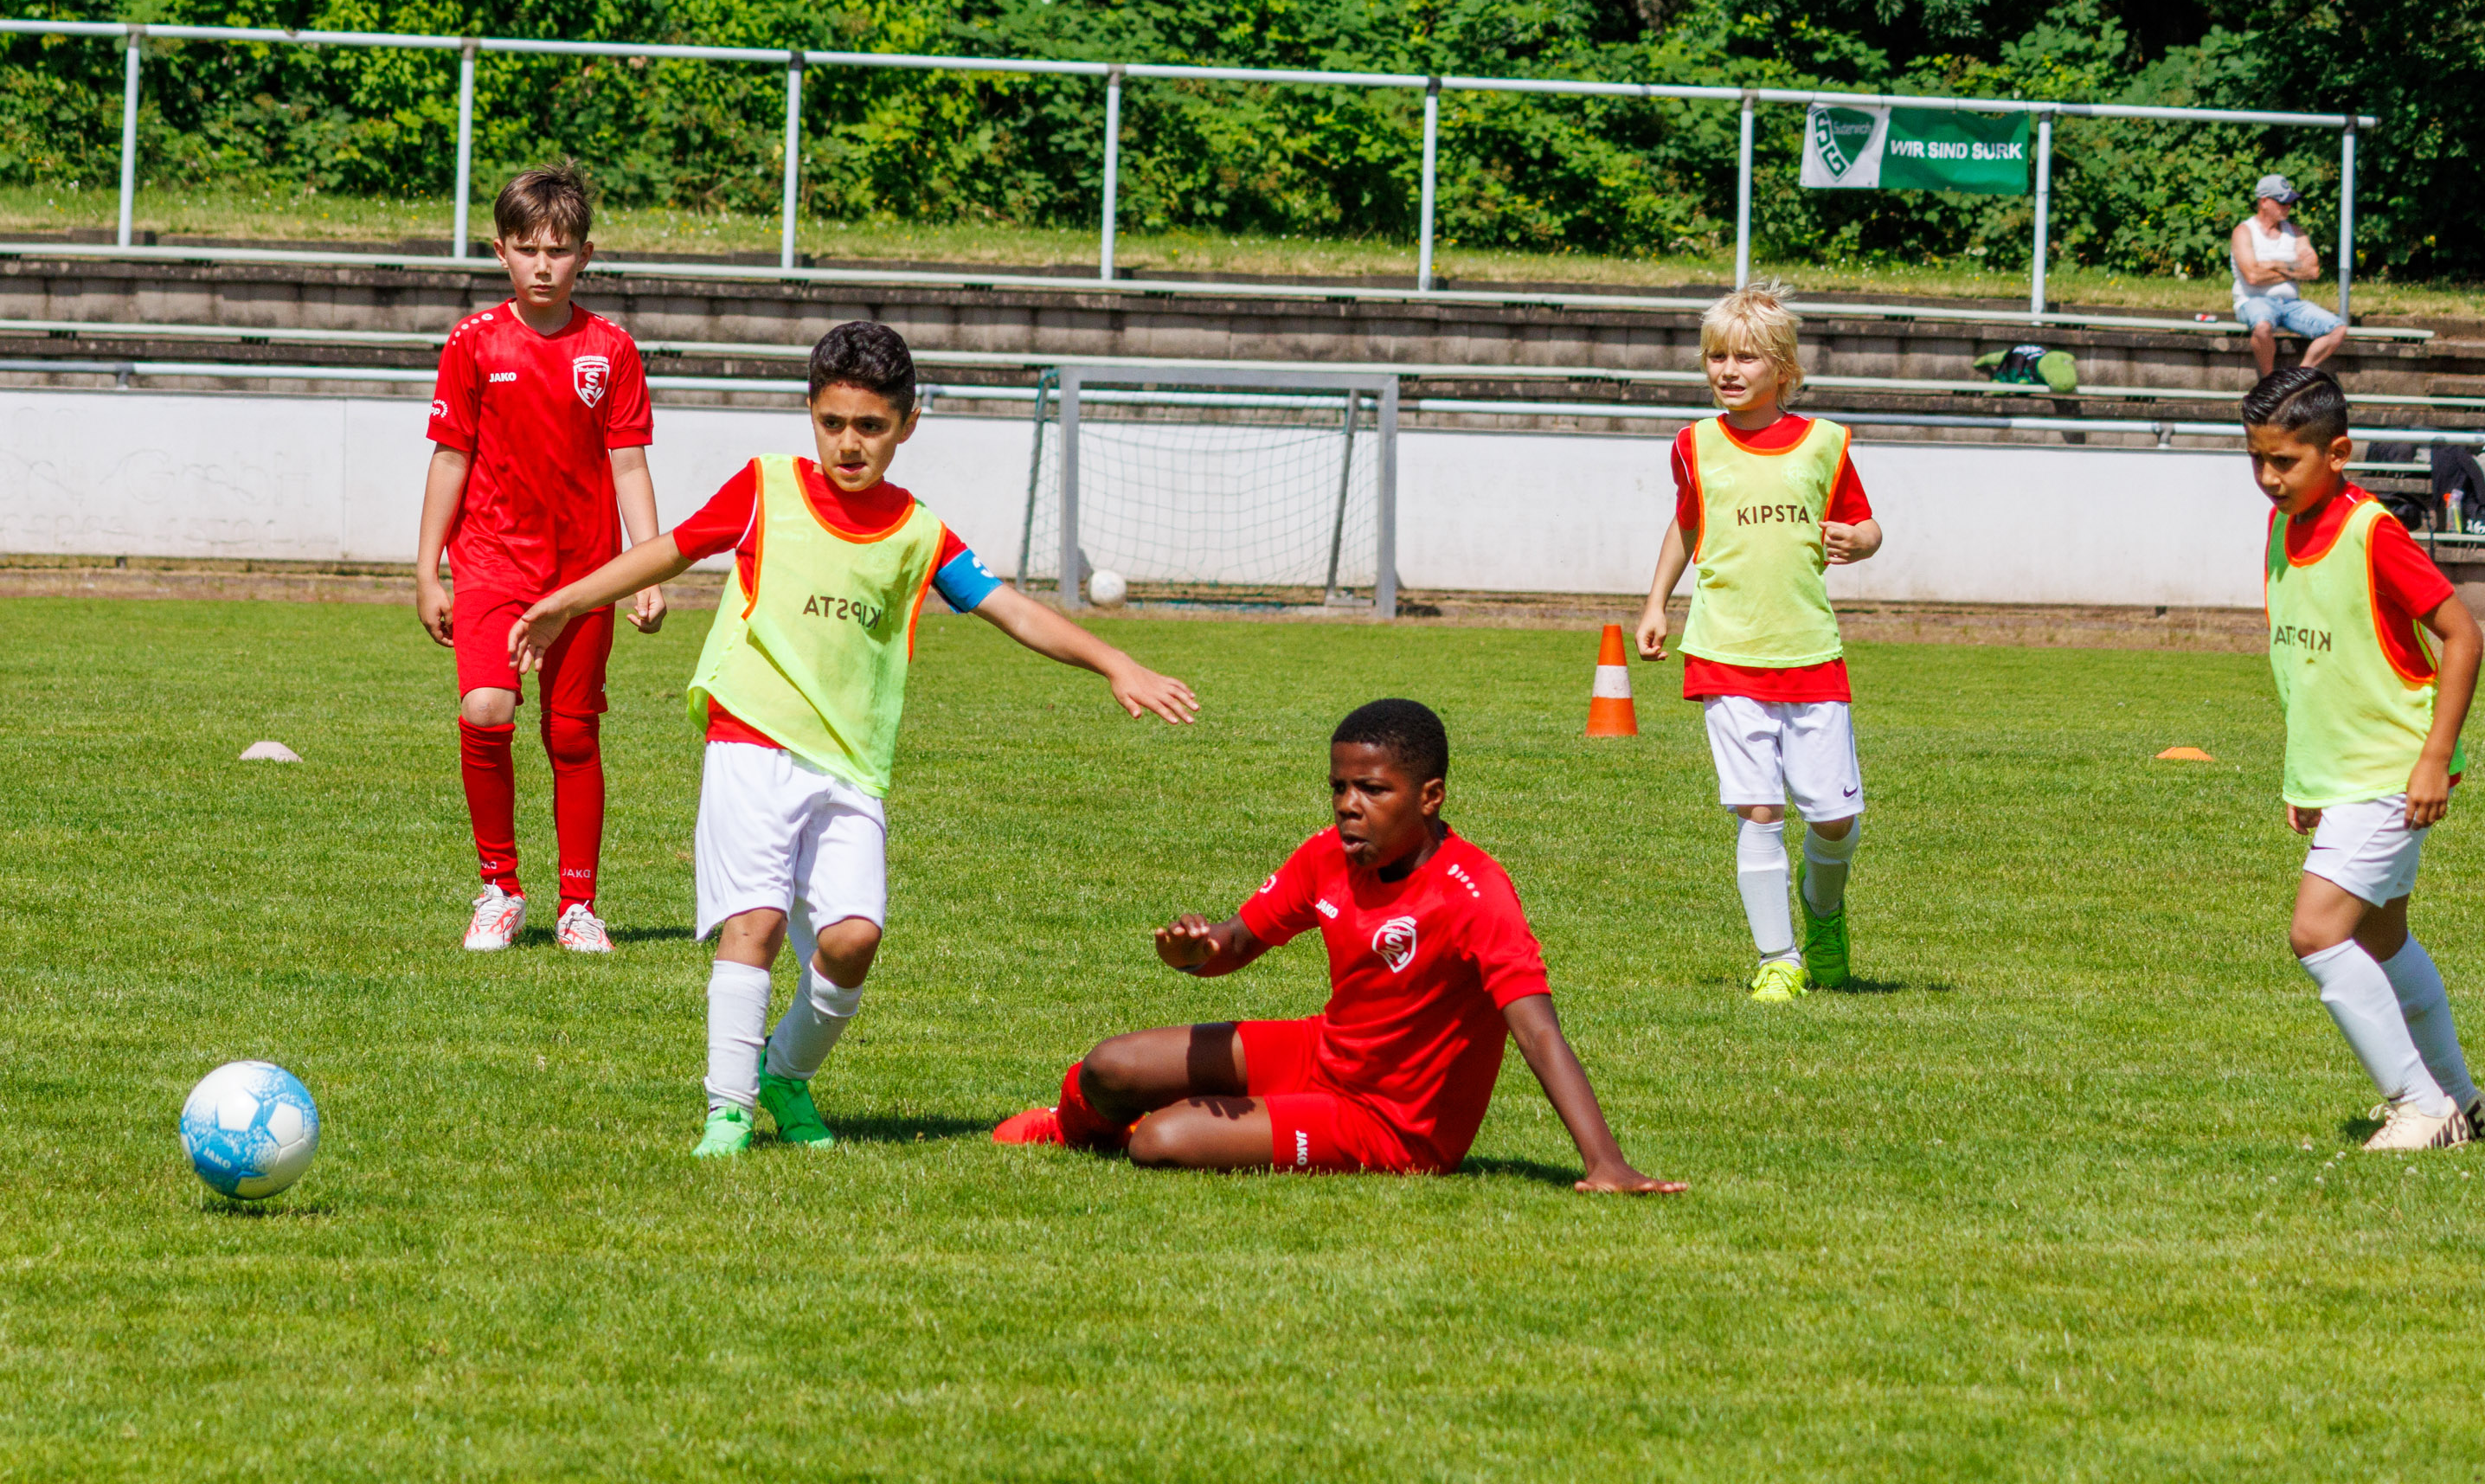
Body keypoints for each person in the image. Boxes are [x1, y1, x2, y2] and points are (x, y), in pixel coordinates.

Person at [509, 320, 1199, 1158]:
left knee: (853, 939)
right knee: (756, 924)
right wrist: (569, 600)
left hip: (849, 767)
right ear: (810, 411)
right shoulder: (766, 487)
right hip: (750, 740)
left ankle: (783, 1073)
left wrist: (1115, 662)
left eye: (871, 426)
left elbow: (1011, 609)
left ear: (907, 424)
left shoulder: (918, 532)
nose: (848, 443)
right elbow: (670, 549)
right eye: (832, 422)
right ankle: (728, 1111)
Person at [992, 699, 1685, 1193]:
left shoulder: (1475, 893)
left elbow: (1538, 1032)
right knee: (1110, 1065)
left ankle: (1142, 1129)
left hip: (1391, 1125)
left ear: (1430, 796)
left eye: (1373, 789)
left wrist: (1605, 1162)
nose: (1349, 804)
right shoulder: (1329, 854)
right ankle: (1072, 1129)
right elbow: (1238, 940)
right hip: (1322, 1054)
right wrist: (1195, 953)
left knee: (1160, 1141)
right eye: (1340, 787)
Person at [2242, 365, 2485, 1152]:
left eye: (2285, 460)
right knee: (2382, 939)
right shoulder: (2282, 526)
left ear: (2338, 453)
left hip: (2391, 773)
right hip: (2344, 777)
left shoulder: (2373, 532)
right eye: (2256, 458)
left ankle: (2420, 1107)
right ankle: (2465, 1103)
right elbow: (2310, 668)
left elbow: (2464, 635)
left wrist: (2435, 758)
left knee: (2317, 933)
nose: (2268, 477)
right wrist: (2305, 775)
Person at [415, 160, 663, 956]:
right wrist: (426, 570)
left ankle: (578, 907)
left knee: (572, 734)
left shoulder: (611, 349)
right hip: (491, 562)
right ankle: (501, 888)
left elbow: (629, 464)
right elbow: (450, 457)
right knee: (486, 707)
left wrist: (646, 568)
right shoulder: (473, 342)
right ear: (501, 252)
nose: (543, 265)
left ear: (585, 255)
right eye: (527, 249)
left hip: (585, 573)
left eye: (558, 250)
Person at [1632, 284, 1882, 1003]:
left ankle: (1823, 912)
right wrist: (1656, 604)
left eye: (1745, 357)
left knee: (1834, 819)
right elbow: (1688, 524)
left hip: (1810, 654)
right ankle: (1779, 958)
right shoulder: (1695, 445)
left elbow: (1865, 524)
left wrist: (1860, 541)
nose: (1728, 370)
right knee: (1759, 809)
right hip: (1725, 651)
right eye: (1717, 356)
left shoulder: (1827, 443)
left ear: (1783, 368)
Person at [2233, 174, 2347, 376]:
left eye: (2290, 202)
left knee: (2338, 329)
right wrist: (2294, 270)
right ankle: (2269, 382)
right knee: (2262, 327)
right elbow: (2252, 276)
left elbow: (2313, 270)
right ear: (2264, 201)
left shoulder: (2295, 232)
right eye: (2282, 202)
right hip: (2254, 300)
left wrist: (2273, 264)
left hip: (2291, 304)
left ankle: (2297, 378)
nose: (2288, 206)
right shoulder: (2244, 232)